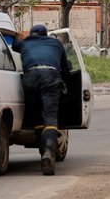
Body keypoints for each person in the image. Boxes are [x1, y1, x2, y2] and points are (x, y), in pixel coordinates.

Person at [12, 24, 72, 175]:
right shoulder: (56, 43)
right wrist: (66, 85)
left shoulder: (25, 43)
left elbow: (14, 45)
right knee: (50, 117)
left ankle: (43, 151)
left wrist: (17, 36)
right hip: (50, 77)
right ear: (45, 35)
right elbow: (65, 69)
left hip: (30, 77)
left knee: (36, 117)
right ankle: (49, 151)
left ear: (31, 34)